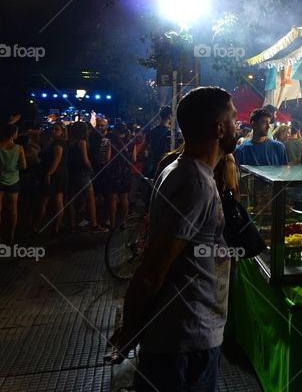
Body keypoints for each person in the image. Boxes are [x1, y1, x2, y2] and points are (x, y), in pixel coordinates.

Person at [109, 87, 237, 392]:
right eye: (234, 119)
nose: (238, 126)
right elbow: (152, 269)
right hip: (186, 339)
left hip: (188, 335)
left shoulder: (180, 170)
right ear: (220, 128)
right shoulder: (195, 184)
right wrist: (130, 329)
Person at [67, 122, 106, 232]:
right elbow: (85, 159)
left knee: (72, 199)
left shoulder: (69, 141)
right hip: (82, 172)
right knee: (90, 198)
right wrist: (91, 169)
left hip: (71, 171)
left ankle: (72, 224)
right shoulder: (82, 142)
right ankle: (94, 224)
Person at [0, 124, 26, 245]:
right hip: (13, 180)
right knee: (13, 209)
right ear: (12, 134)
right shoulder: (19, 148)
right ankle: (11, 235)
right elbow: (23, 166)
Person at [33, 122, 69, 235]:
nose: (54, 131)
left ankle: (36, 226)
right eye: (53, 129)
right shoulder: (61, 142)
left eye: (57, 129)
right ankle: (55, 227)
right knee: (58, 200)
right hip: (62, 172)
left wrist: (49, 174)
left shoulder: (58, 144)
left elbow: (56, 160)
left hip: (55, 173)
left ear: (62, 131)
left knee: (45, 199)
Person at [105, 124, 133, 229]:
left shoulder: (111, 142)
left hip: (113, 172)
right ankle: (124, 223)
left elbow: (107, 159)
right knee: (124, 198)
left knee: (113, 198)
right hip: (126, 173)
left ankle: (112, 224)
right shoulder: (131, 143)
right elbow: (133, 159)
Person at [145, 106, 173, 179]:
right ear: (170, 116)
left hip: (154, 166)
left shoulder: (152, 131)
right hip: (166, 166)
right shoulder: (170, 133)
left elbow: (146, 147)